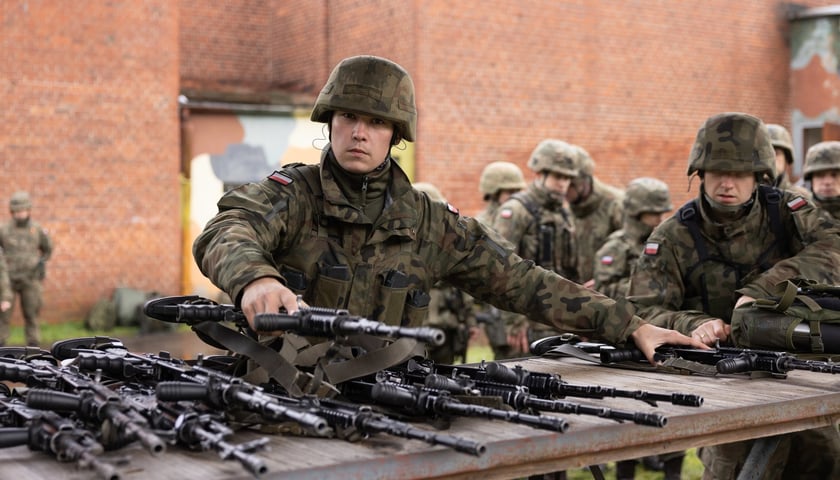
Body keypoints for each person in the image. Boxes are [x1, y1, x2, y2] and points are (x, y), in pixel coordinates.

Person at [192, 54, 704, 389]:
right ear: (330, 123)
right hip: (283, 399)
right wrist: (255, 278)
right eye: (348, 118)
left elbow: (524, 283)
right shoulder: (294, 195)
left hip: (390, 402)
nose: (359, 133)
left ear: (396, 134)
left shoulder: (429, 223)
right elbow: (227, 229)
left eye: (376, 122)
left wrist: (629, 325)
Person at [627, 112, 840, 480]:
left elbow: (833, 246)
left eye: (740, 173)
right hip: (726, 380)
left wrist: (763, 290)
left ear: (758, 175)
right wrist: (695, 325)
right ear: (700, 173)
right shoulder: (673, 236)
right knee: (736, 471)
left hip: (796, 372)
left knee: (823, 459)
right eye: (716, 171)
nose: (727, 183)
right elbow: (643, 311)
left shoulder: (787, 211)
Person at [592, 177, 683, 480]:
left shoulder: (668, 243)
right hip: (628, 344)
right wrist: (646, 288)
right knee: (628, 413)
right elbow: (605, 292)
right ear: (635, 212)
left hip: (666, 337)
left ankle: (672, 470)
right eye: (652, 213)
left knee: (674, 408)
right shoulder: (616, 247)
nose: (660, 219)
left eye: (662, 212)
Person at [490, 139, 579, 356]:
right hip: (525, 321)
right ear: (541, 174)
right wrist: (513, 321)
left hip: (557, 320)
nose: (563, 183)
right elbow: (497, 267)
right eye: (558, 176)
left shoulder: (564, 214)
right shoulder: (516, 211)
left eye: (567, 178)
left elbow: (570, 271)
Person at [411, 181, 474, 364]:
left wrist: (468, 321)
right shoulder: (399, 248)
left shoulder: (447, 245)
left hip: (446, 331)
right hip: (413, 334)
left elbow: (462, 289)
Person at [475, 161, 527, 360]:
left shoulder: (517, 218)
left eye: (517, 192)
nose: (514, 198)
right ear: (493, 193)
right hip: (499, 309)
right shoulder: (483, 225)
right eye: (508, 192)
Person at [565, 145, 625, 288]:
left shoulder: (617, 205)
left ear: (583, 181)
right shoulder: (564, 210)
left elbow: (638, 255)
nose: (563, 188)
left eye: (568, 182)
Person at [0, 191, 53, 347]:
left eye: (22, 210)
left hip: (30, 279)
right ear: (12, 212)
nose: (20, 214)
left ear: (28, 210)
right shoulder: (4, 229)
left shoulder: (36, 229)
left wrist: (40, 263)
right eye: (16, 211)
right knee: (3, 315)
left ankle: (33, 348)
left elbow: (47, 248)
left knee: (32, 314)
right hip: (8, 280)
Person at [766, 123, 811, 199]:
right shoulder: (744, 197)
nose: (770, 159)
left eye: (776, 153)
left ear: (786, 159)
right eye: (764, 153)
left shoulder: (800, 197)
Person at [803, 140, 840, 220]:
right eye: (820, 175)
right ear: (810, 180)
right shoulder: (799, 214)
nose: (827, 182)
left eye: (834, 175)